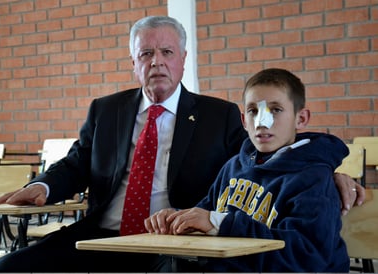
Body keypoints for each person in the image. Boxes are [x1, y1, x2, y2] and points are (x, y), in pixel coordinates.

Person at [0, 16, 361, 272]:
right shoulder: (106, 110)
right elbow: (76, 163)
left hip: (172, 243)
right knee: (6, 268)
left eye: (167, 52)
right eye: (146, 53)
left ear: (183, 60)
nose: (157, 62)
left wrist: (329, 169)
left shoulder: (221, 115)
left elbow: (265, 159)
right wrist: (41, 186)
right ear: (133, 62)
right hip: (103, 235)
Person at [145, 68, 350, 272]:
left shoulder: (314, 178)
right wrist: (177, 219)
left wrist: (221, 223)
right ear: (243, 120)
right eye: (253, 111)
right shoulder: (233, 167)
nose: (262, 122)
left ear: (301, 119)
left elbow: (307, 257)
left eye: (275, 110)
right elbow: (206, 215)